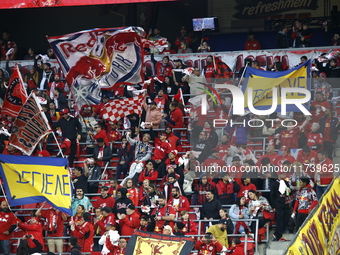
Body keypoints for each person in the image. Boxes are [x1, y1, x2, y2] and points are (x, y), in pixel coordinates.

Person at [271, 172, 291, 241]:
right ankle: (279, 235)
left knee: (286, 218)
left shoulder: (286, 182)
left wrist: (289, 191)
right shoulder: (274, 184)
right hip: (278, 204)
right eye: (282, 174)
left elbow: (288, 192)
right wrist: (273, 206)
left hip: (286, 203)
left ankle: (277, 233)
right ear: (278, 174)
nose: (284, 175)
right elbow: (272, 195)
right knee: (279, 220)